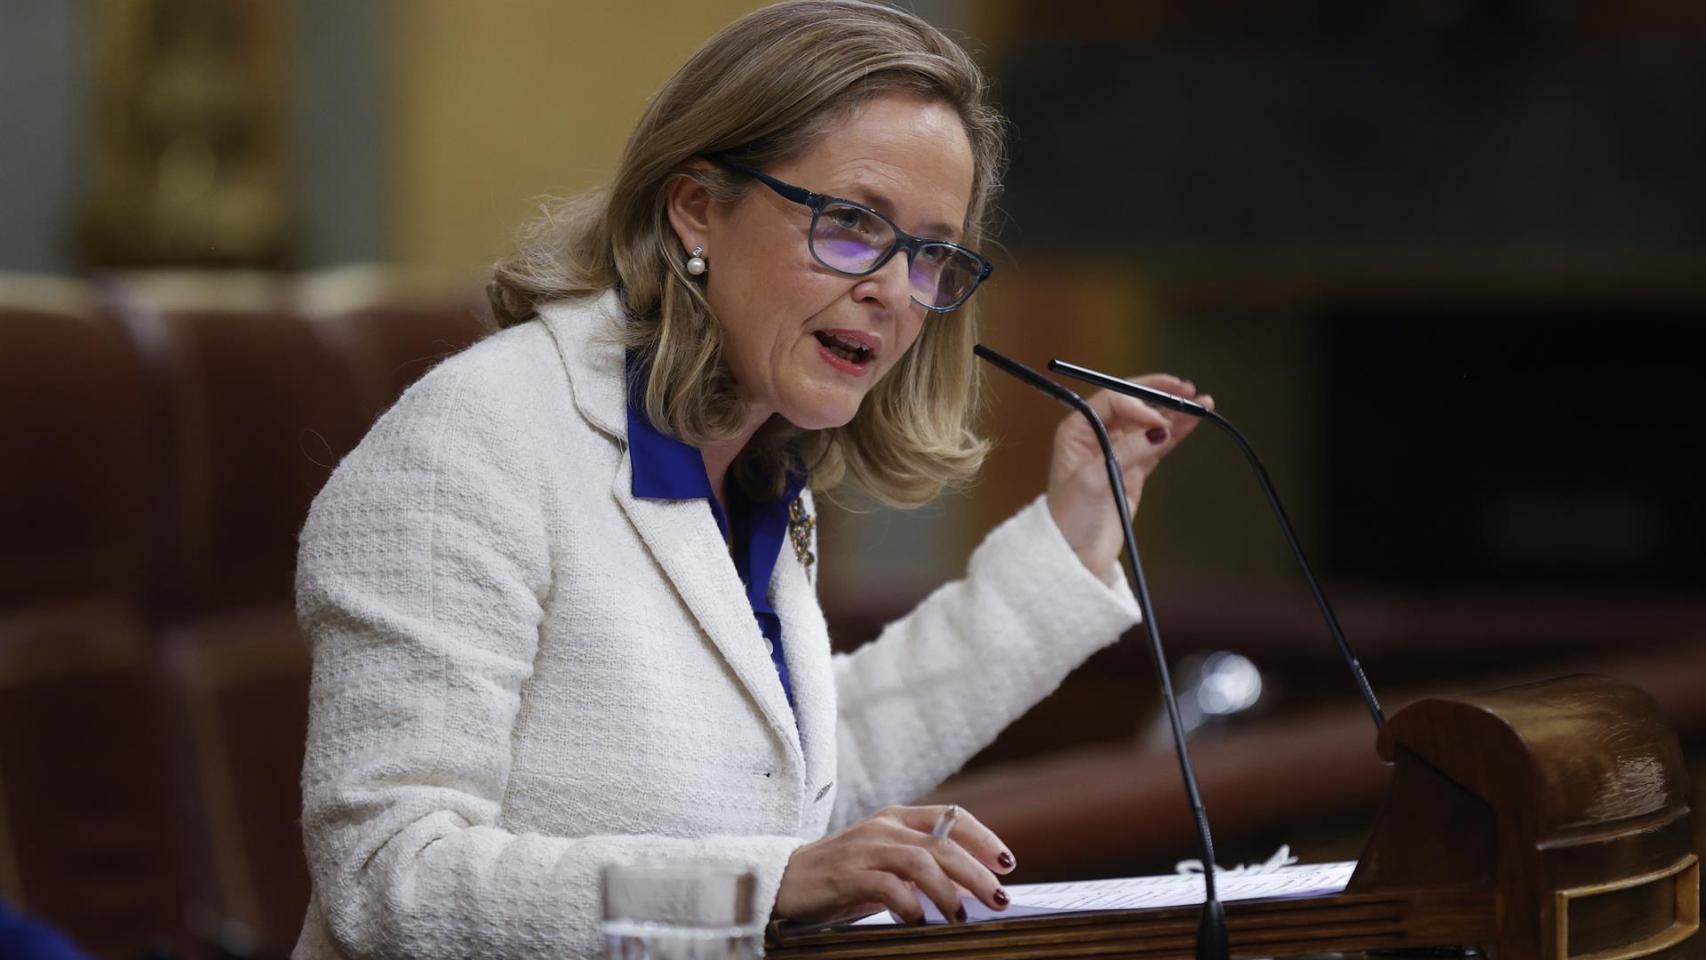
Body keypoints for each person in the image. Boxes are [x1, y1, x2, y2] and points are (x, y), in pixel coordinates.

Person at [292, 1, 1211, 957]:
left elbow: (775, 777)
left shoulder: (752, 463)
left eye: (932, 252)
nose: (897, 291)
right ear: (696, 208)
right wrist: (767, 887)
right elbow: (389, 878)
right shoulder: (471, 445)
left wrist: (1073, 538)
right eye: (853, 223)